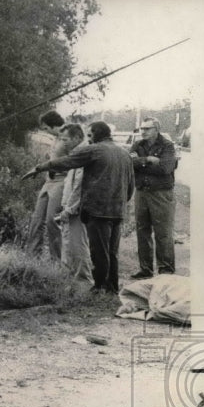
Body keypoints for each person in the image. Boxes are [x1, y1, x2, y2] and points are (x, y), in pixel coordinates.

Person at [23, 121, 135, 294]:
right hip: (118, 210)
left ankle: (98, 288)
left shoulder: (94, 150)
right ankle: (111, 288)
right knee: (112, 251)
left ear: (97, 135)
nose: (88, 140)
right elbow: (130, 185)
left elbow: (66, 162)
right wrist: (122, 203)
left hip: (98, 209)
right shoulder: (124, 153)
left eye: (89, 135)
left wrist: (39, 168)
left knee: (99, 251)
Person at [129, 117, 177, 279]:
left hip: (161, 193)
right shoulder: (138, 145)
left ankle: (166, 270)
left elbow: (165, 168)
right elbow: (130, 163)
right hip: (142, 192)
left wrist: (140, 164)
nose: (143, 131)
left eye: (147, 128)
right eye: (142, 128)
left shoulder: (167, 145)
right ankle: (146, 269)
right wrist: (149, 160)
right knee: (142, 230)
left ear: (156, 129)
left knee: (162, 232)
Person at [24, 110, 67, 260]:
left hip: (61, 181)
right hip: (49, 181)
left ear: (54, 126)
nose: (45, 132)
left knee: (52, 221)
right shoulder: (55, 140)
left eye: (46, 128)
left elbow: (72, 162)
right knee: (37, 220)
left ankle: (57, 260)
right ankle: (32, 257)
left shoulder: (68, 139)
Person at [52, 124, 92, 282]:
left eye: (66, 139)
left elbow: (79, 186)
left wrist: (69, 209)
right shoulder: (77, 153)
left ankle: (83, 281)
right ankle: (71, 278)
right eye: (61, 139)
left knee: (77, 245)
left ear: (77, 138)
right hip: (71, 207)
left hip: (76, 209)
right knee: (69, 244)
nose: (63, 143)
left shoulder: (82, 154)